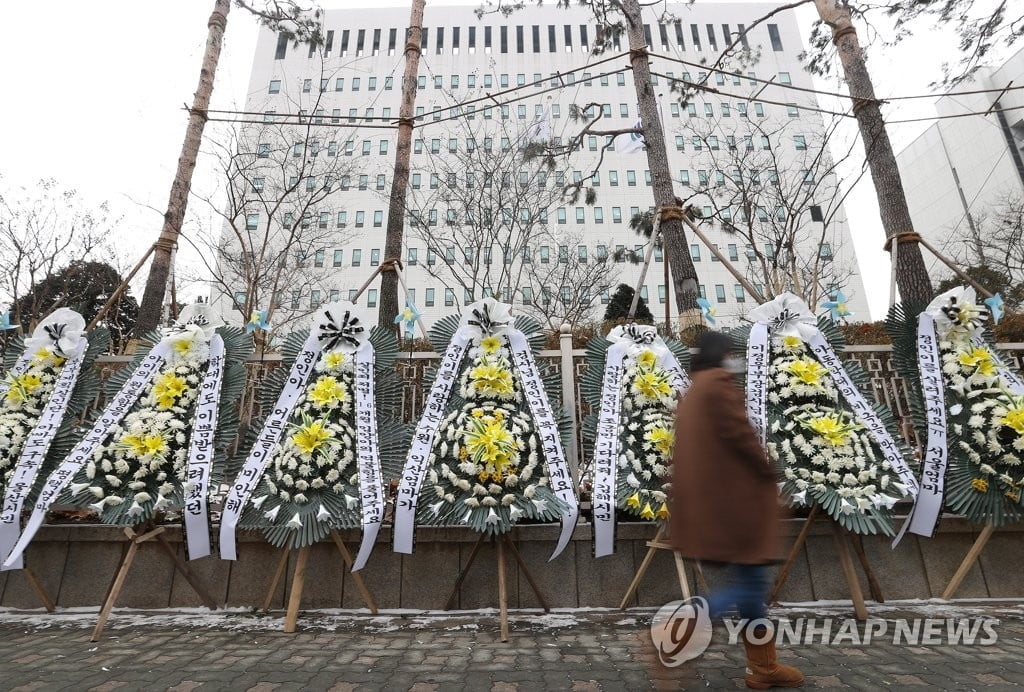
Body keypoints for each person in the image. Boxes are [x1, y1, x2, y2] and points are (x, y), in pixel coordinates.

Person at [670, 331, 804, 689]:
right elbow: (742, 437)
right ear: (722, 355)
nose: (735, 359)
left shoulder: (694, 391)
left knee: (751, 589)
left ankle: (762, 668)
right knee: (749, 588)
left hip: (717, 503)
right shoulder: (718, 387)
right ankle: (678, 631)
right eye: (731, 353)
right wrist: (768, 474)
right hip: (738, 504)